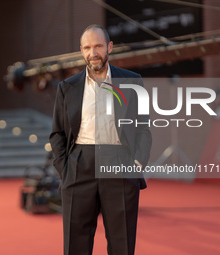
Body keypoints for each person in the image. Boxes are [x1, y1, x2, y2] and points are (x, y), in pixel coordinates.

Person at [49, 24, 152, 255]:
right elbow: (58, 133)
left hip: (120, 163)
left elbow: (143, 128)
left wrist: (136, 164)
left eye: (98, 46)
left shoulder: (132, 82)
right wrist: (64, 170)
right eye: (87, 47)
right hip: (79, 165)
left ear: (110, 47)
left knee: (122, 243)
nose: (92, 53)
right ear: (81, 50)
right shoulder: (67, 87)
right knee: (75, 244)